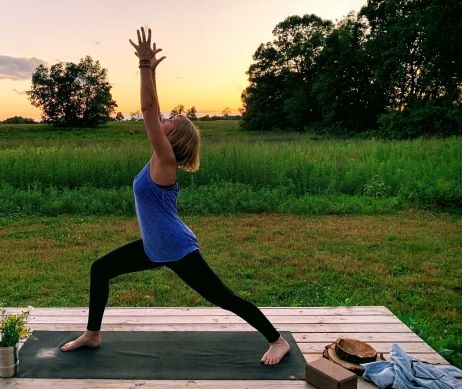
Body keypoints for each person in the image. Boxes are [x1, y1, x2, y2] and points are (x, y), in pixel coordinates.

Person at [61, 27, 291, 365]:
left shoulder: (166, 161)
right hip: (155, 246)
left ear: (174, 137)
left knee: (224, 297)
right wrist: (153, 70)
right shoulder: (159, 158)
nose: (165, 119)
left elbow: (148, 109)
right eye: (167, 118)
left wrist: (143, 65)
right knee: (101, 269)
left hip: (174, 247)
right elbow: (154, 109)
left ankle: (277, 341)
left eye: (171, 120)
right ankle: (92, 334)